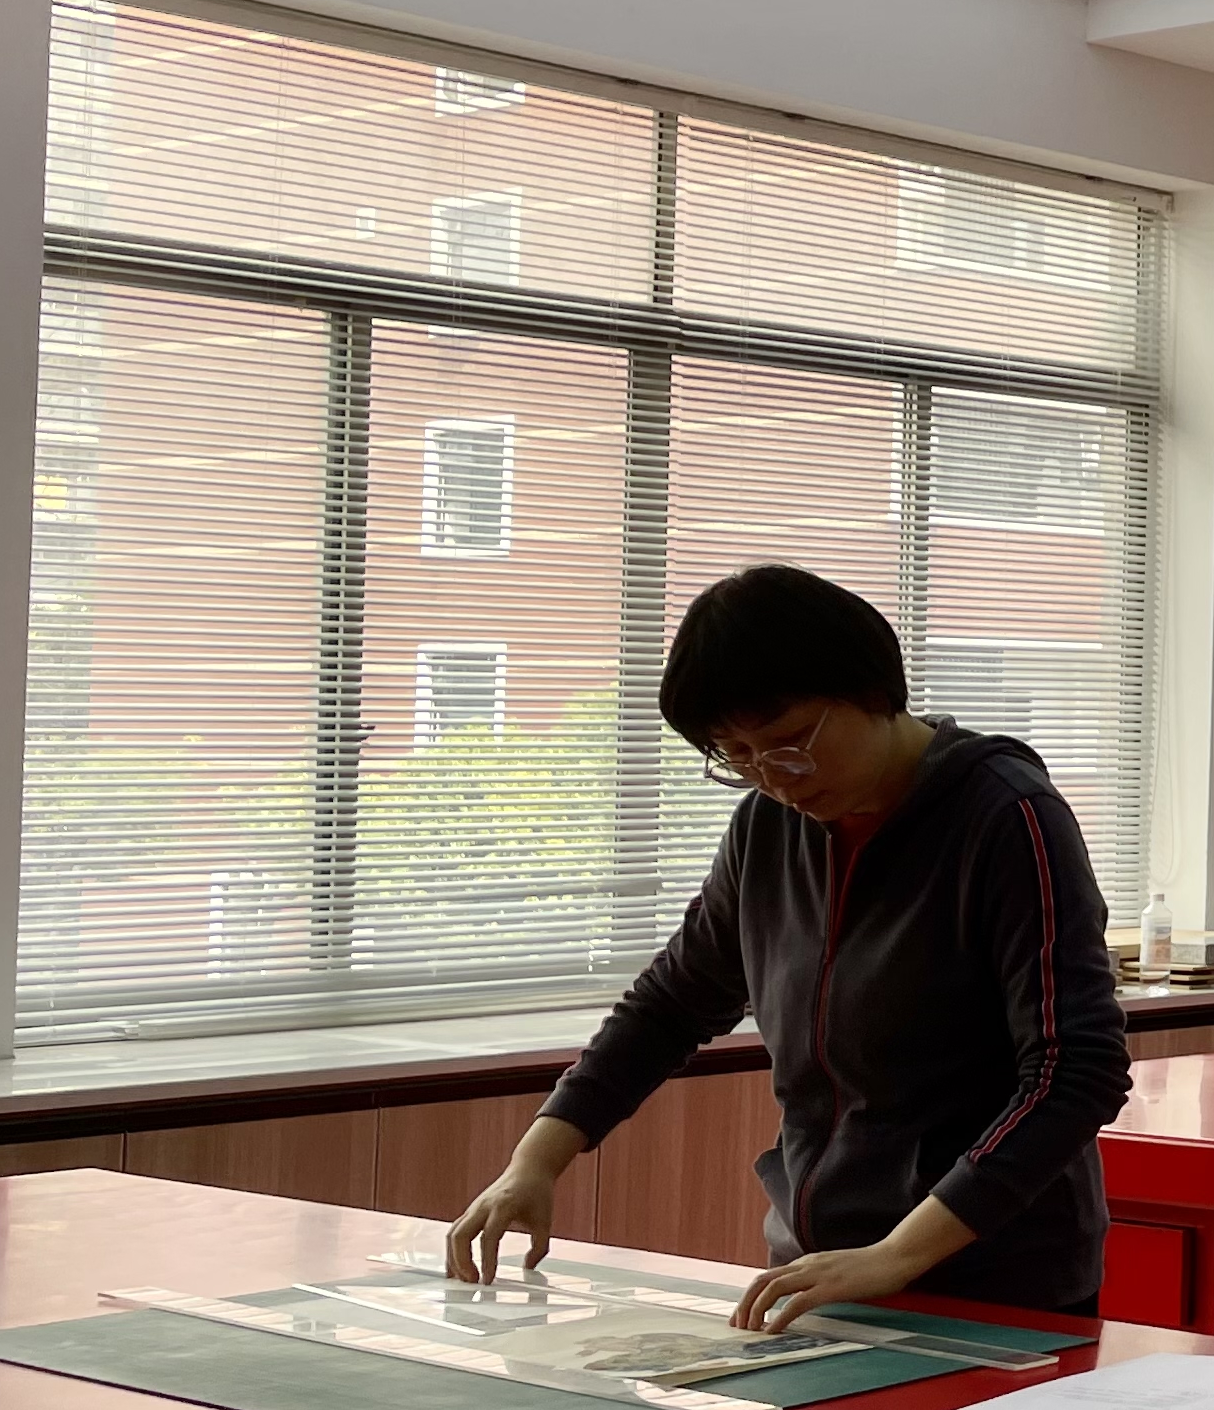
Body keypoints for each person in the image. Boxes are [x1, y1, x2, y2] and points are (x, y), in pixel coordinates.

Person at [445, 565, 1130, 1326]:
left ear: (871, 689)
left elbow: (1075, 1072)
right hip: (820, 1270)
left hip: (993, 1279)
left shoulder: (1008, 817)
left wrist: (898, 1253)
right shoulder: (769, 826)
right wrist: (535, 1162)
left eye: (788, 742)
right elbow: (670, 1005)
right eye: (736, 756)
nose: (773, 778)